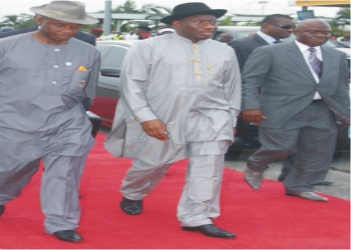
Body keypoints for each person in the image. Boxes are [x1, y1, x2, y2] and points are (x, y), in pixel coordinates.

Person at [104, 2, 240, 239]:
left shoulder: (225, 50)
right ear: (177, 23)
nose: (209, 26)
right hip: (163, 115)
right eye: (200, 21)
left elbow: (232, 87)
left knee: (208, 168)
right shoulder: (147, 47)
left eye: (212, 22)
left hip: (212, 116)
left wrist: (231, 117)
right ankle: (133, 192)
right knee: (152, 162)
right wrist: (146, 117)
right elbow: (132, 85)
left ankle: (196, 217)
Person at [0, 1, 100, 242]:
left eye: (74, 26)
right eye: (60, 24)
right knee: (12, 168)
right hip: (13, 120)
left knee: (66, 171)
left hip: (66, 121)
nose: (67, 31)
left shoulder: (88, 52)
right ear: (40, 19)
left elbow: (85, 91)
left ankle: (61, 221)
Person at [241, 19, 349, 202]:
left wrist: (346, 111)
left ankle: (299, 186)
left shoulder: (336, 55)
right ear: (296, 32)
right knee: (281, 146)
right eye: (314, 32)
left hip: (322, 109)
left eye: (325, 32)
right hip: (281, 108)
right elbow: (250, 80)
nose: (321, 36)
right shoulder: (270, 52)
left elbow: (341, 87)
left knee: (317, 150)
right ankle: (256, 164)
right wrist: (250, 106)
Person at [227, 14, 312, 184]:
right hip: (257, 103)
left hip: (292, 103)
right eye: (285, 27)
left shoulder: (291, 47)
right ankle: (257, 165)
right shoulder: (242, 45)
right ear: (266, 26)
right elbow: (237, 77)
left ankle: (293, 175)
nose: (291, 31)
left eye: (292, 28)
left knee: (298, 141)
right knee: (277, 143)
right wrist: (247, 104)